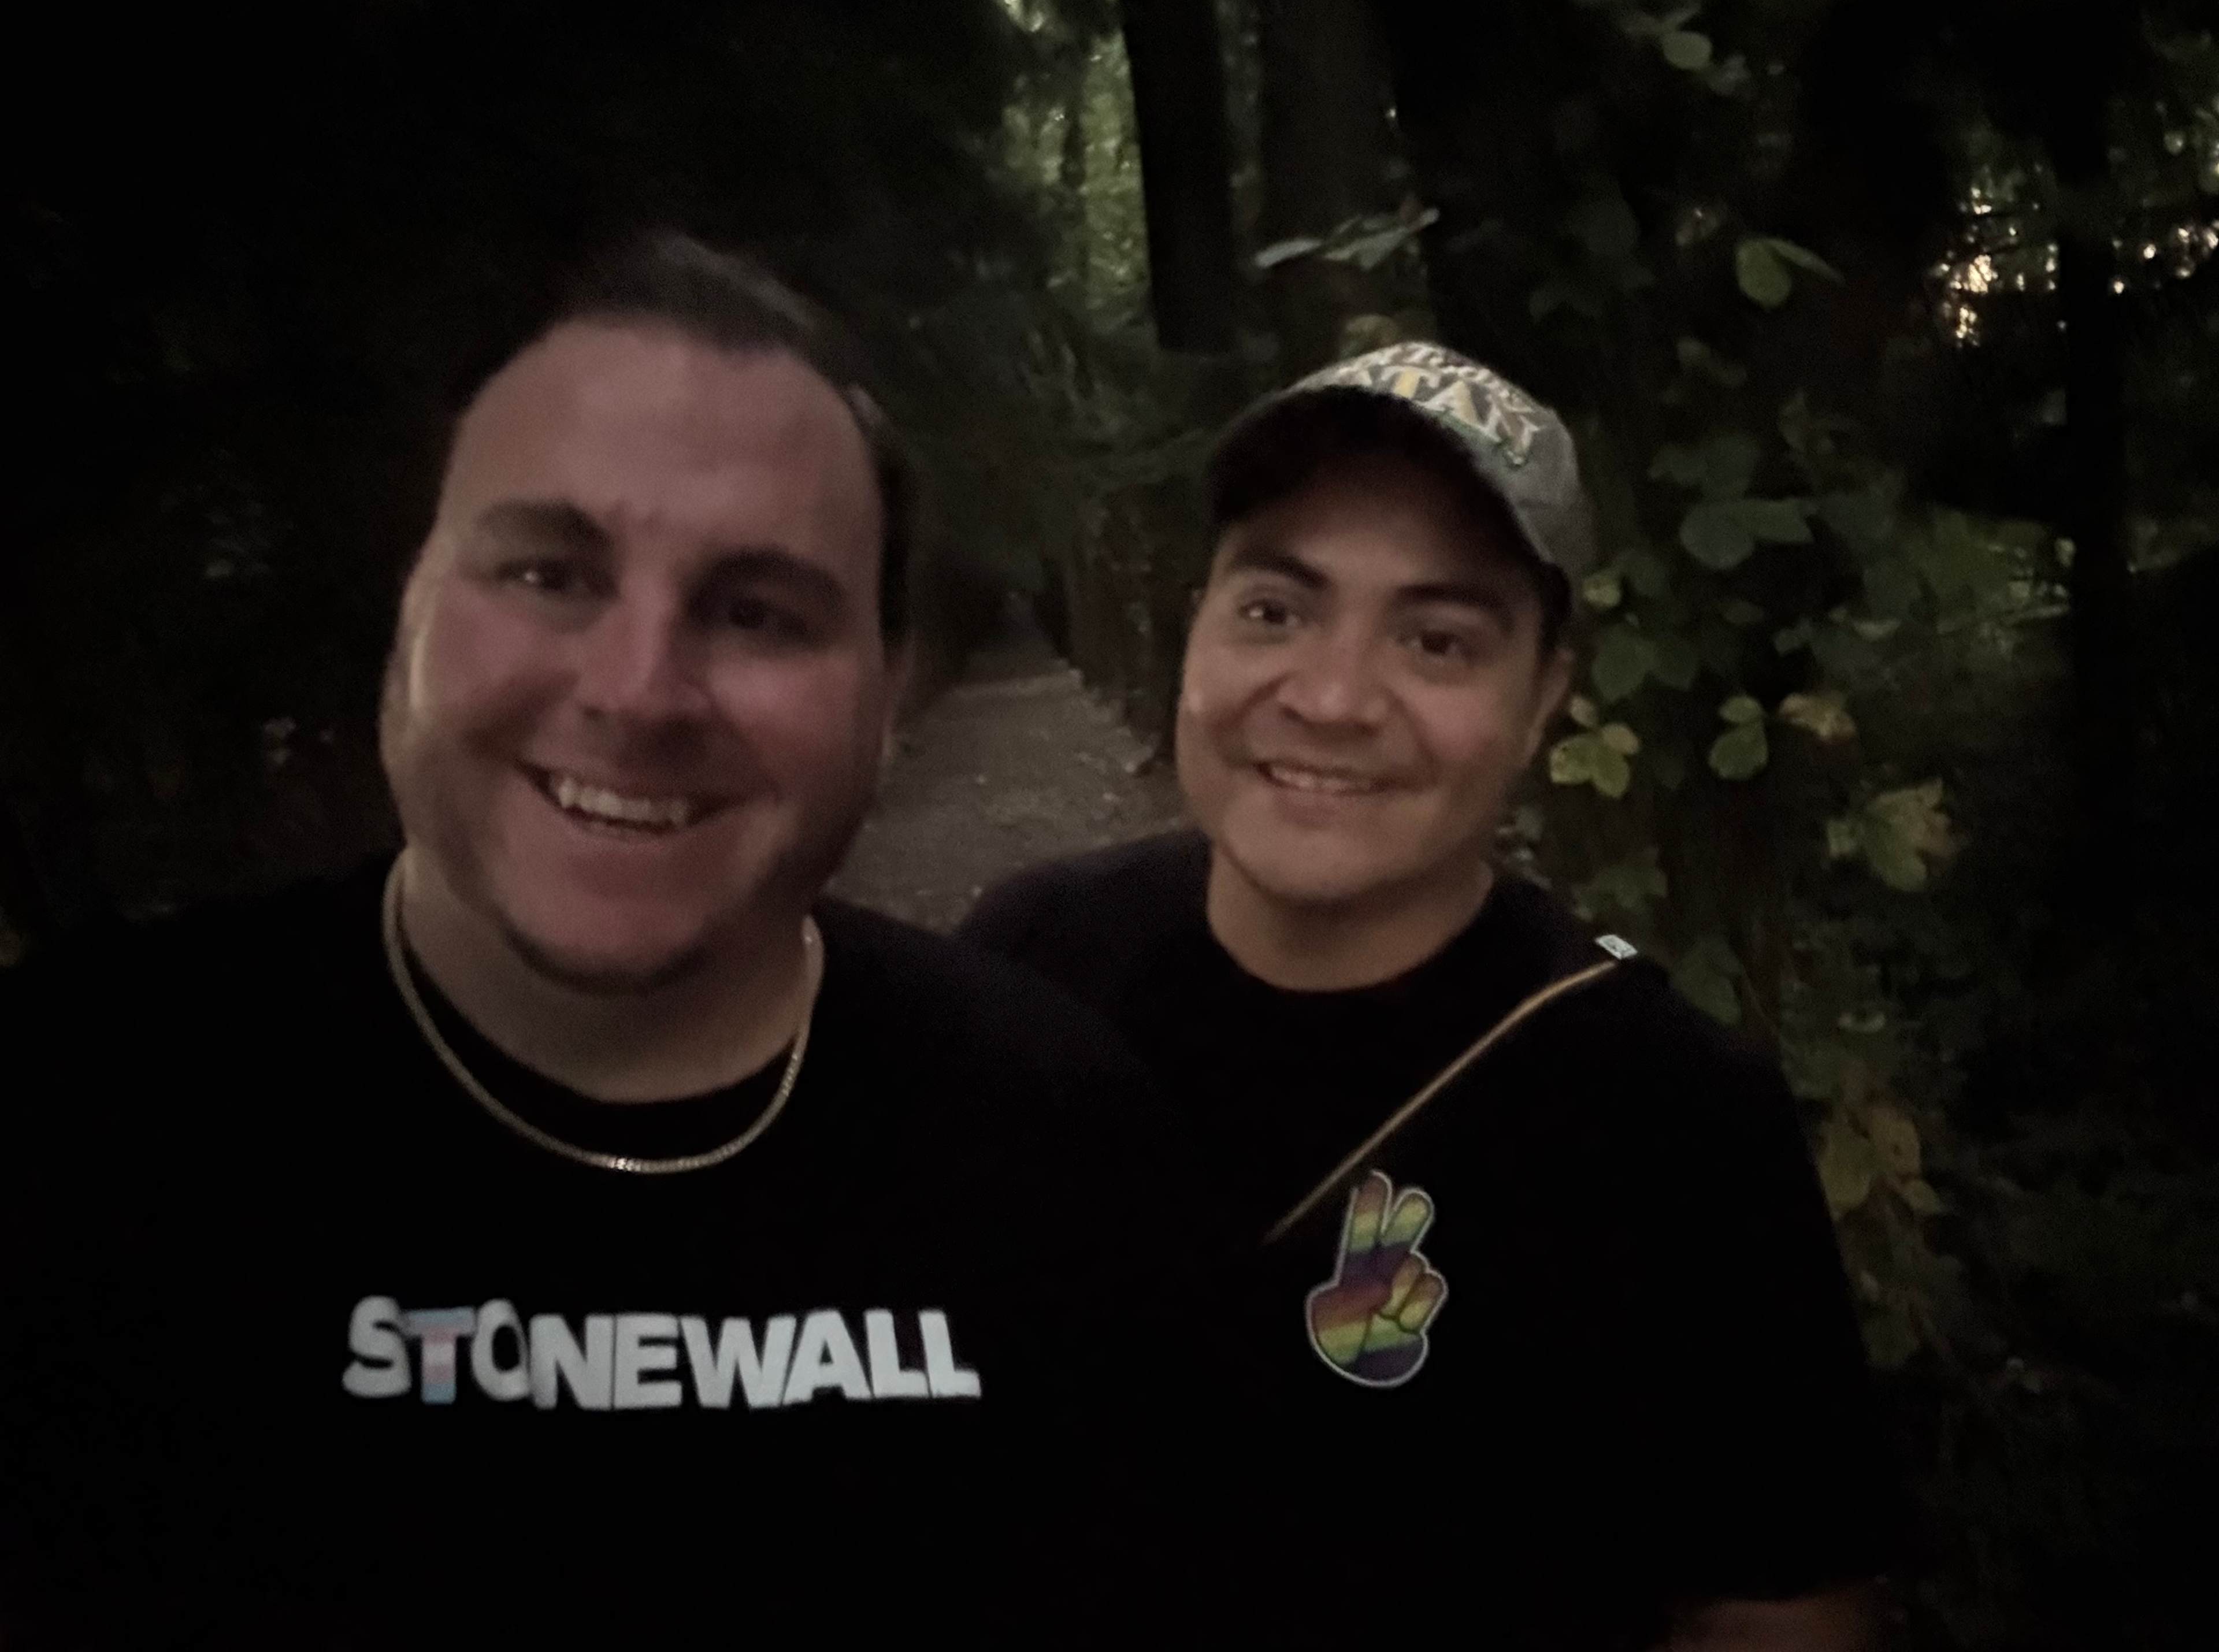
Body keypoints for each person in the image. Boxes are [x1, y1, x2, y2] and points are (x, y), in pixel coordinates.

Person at [0, 234, 1215, 1646]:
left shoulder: (1064, 1149)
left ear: (890, 693)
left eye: (758, 613)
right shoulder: (75, 1124)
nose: (638, 693)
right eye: (548, 574)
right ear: (406, 609)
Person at [960, 341, 1900, 1650]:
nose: (1332, 698)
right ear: (1196, 625)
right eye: (1275, 611)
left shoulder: (1672, 1119)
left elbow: (1781, 1606)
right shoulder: (1026, 963)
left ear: (1544, 698)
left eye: (1438, 640)